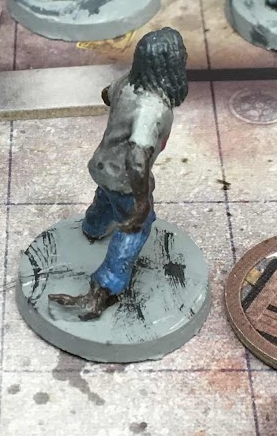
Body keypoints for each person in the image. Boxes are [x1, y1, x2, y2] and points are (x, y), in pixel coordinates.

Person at [51, 28, 189, 319]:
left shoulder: (127, 83)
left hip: (102, 165)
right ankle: (103, 289)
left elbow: (106, 94)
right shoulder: (153, 107)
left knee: (106, 199)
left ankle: (92, 227)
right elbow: (137, 160)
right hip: (125, 179)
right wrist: (142, 203)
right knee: (135, 227)